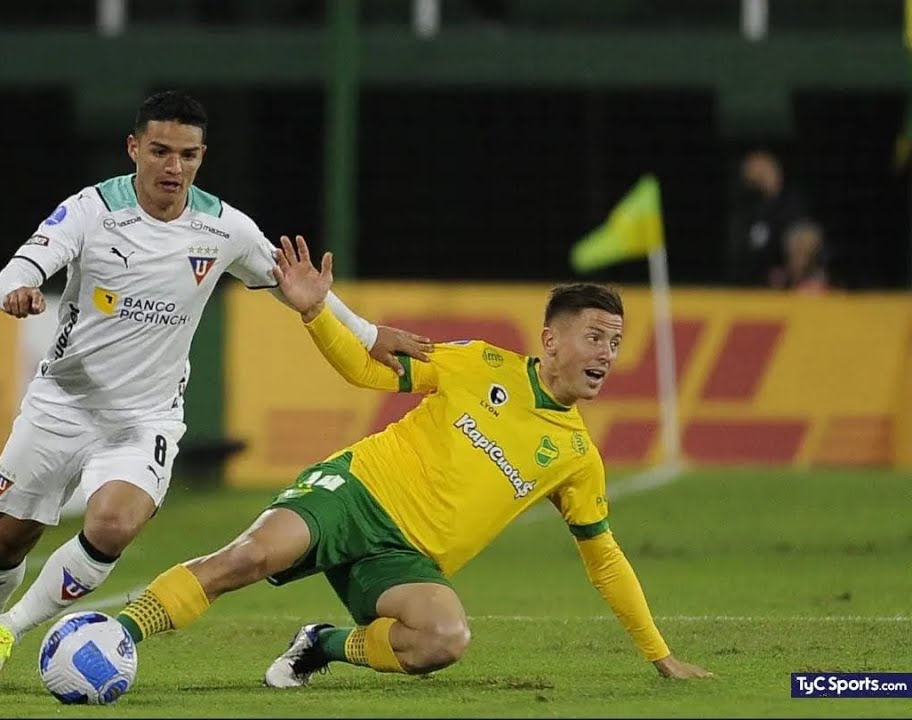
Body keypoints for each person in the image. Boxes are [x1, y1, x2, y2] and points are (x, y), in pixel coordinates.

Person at [0, 90, 431, 687]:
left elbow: (298, 283)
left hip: (146, 419)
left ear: (202, 156)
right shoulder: (91, 211)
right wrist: (19, 290)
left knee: (112, 524)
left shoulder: (223, 228)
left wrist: (367, 333)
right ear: (134, 148)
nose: (174, 167)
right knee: (7, 538)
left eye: (188, 155)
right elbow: (18, 269)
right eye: (161, 151)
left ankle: (8, 630)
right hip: (61, 404)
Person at [114, 236, 714, 686]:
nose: (607, 353)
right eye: (595, 337)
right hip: (354, 493)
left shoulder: (577, 459)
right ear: (552, 340)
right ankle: (116, 636)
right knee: (247, 558)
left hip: (404, 559)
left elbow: (604, 559)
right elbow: (364, 369)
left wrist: (659, 656)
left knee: (442, 640)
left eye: (615, 341)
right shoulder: (478, 362)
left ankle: (321, 645)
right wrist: (314, 312)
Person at [726, 149, 808, 287]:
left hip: (788, 287)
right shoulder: (746, 208)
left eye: (758, 168)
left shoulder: (793, 203)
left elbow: (802, 241)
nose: (749, 173)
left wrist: (787, 273)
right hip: (747, 287)